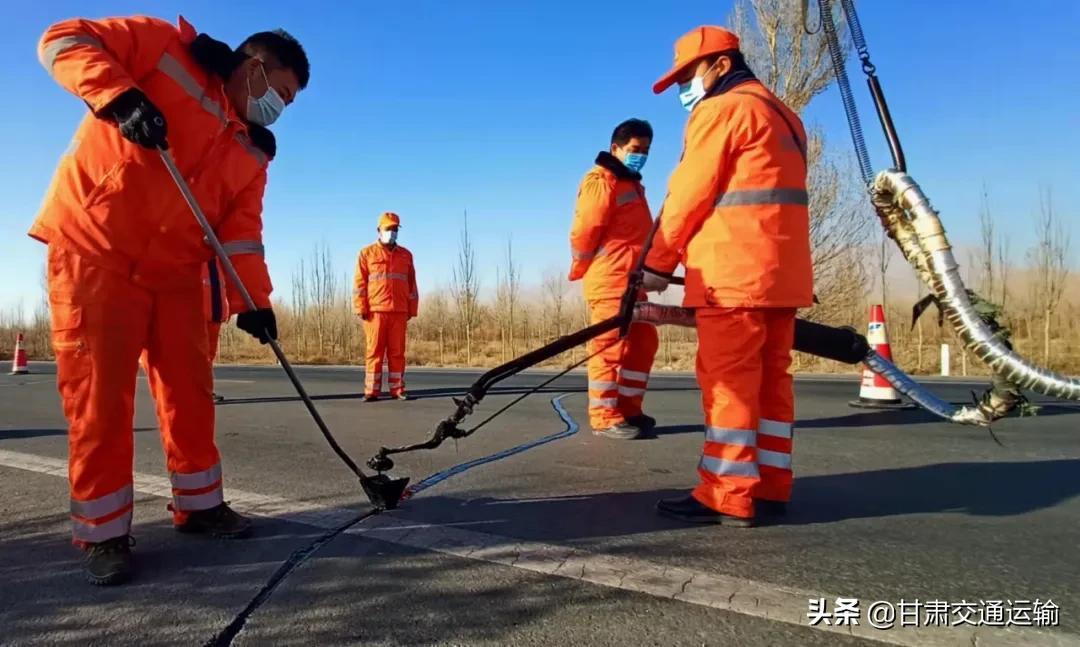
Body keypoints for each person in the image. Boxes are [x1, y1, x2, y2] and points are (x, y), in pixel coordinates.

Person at [32, 14, 309, 584]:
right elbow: (61, 39)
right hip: (96, 250)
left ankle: (201, 506)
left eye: (289, 103)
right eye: (279, 92)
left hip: (180, 272)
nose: (278, 107)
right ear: (253, 65)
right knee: (99, 398)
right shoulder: (165, 47)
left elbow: (240, 233)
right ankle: (104, 535)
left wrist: (254, 300)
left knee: (190, 388)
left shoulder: (252, 150)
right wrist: (118, 96)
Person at [643, 26, 812, 527]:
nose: (682, 91)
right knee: (771, 386)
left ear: (719, 64)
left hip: (734, 276)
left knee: (729, 386)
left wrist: (657, 264)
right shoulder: (785, 116)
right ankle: (771, 485)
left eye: (685, 77)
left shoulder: (721, 111)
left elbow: (689, 196)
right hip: (780, 278)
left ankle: (728, 491)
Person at [568, 119, 659, 440]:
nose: (641, 156)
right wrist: (581, 266)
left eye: (646, 151)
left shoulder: (631, 183)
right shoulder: (601, 181)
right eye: (635, 150)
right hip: (610, 280)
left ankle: (628, 407)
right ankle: (604, 416)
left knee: (644, 341)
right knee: (609, 348)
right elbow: (584, 230)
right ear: (615, 148)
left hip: (635, 282)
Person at [353, 212, 419, 401]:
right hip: (376, 312)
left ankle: (397, 389)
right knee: (374, 352)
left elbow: (412, 284)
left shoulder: (406, 255)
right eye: (388, 228)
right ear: (379, 230)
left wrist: (411, 309)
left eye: (395, 229)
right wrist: (360, 307)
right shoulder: (366, 253)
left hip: (399, 312)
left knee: (397, 353)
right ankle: (371, 391)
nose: (392, 232)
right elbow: (360, 283)